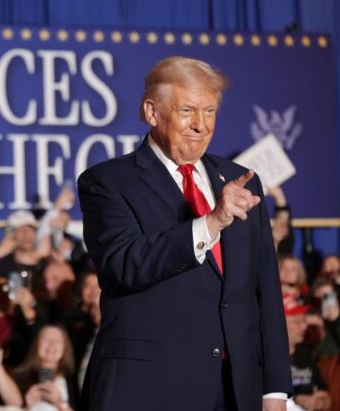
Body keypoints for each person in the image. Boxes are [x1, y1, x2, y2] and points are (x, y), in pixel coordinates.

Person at [77, 56, 291, 410]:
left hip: (236, 392)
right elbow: (125, 264)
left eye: (209, 112)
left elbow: (264, 290)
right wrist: (212, 223)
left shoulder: (239, 179)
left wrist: (274, 390)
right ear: (151, 112)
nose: (201, 125)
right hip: (148, 390)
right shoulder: (108, 182)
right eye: (187, 111)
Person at [13, 325, 79, 411]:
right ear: (36, 344)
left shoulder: (74, 381)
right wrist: (27, 407)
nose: (51, 344)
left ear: (65, 348)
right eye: (46, 339)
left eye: (57, 341)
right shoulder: (19, 377)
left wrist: (60, 403)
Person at [283, 294, 332, 410]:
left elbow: (327, 397)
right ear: (280, 324)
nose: (304, 326)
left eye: (304, 321)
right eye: (297, 321)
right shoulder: (264, 359)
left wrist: (318, 402)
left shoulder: (306, 356)